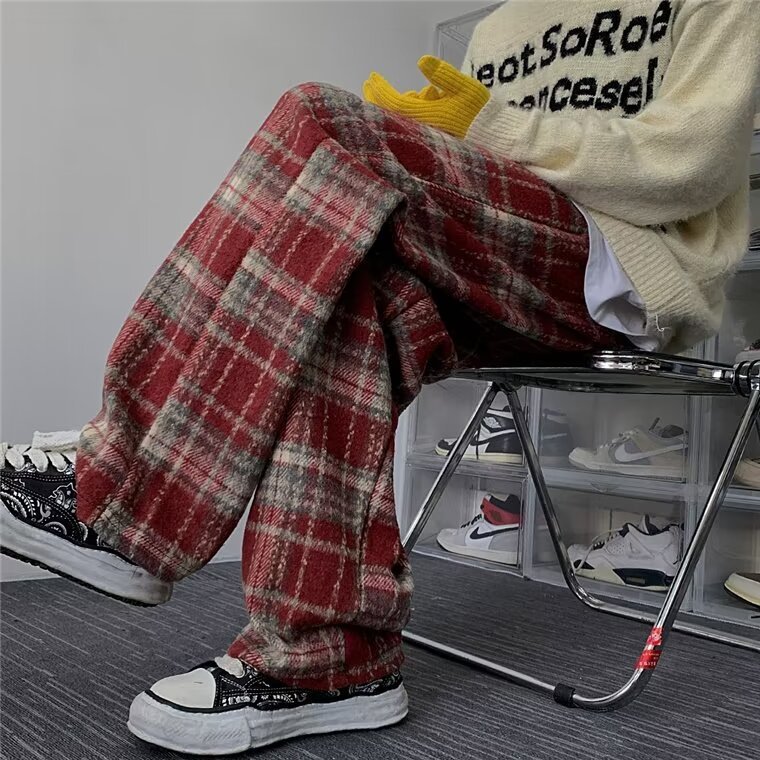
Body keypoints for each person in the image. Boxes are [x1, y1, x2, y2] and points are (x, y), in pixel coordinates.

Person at [1, 0, 758, 754]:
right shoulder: (501, 27)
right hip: (494, 267)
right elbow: (477, 178)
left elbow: (688, 166)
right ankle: (331, 657)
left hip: (626, 275)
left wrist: (490, 127)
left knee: (319, 117)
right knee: (352, 292)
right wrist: (440, 137)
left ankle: (119, 491)